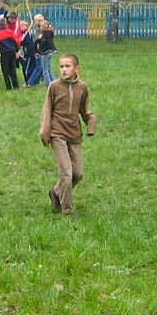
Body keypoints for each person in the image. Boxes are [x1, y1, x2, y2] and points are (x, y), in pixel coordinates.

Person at [39, 53, 97, 215]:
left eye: (67, 66)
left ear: (76, 68)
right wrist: (45, 131)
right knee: (66, 173)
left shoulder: (82, 88)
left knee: (77, 174)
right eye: (61, 66)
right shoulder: (54, 87)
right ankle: (68, 210)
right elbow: (47, 110)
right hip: (57, 134)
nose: (64, 70)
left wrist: (90, 123)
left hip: (74, 134)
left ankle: (56, 192)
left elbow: (85, 110)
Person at [0, 12, 22, 89]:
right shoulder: (10, 32)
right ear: (6, 25)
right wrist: (17, 50)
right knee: (12, 69)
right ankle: (16, 85)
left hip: (4, 53)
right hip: (12, 52)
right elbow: (17, 41)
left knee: (5, 70)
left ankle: (8, 86)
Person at [35, 19, 58, 85]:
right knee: (48, 68)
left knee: (45, 70)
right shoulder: (45, 33)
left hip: (45, 53)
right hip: (45, 53)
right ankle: (54, 81)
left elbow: (50, 42)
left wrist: (54, 49)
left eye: (42, 26)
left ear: (46, 27)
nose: (40, 27)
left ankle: (48, 84)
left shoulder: (47, 34)